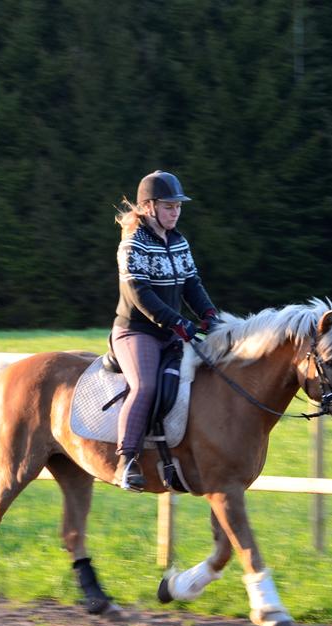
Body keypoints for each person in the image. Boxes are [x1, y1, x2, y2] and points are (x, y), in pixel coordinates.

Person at [111, 170, 218, 490]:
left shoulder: (179, 241)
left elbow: (192, 285)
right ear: (148, 208)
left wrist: (210, 314)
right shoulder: (132, 243)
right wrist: (177, 322)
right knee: (144, 386)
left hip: (170, 332)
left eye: (178, 207)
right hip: (136, 332)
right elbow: (139, 294)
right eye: (170, 206)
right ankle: (126, 460)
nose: (176, 212)